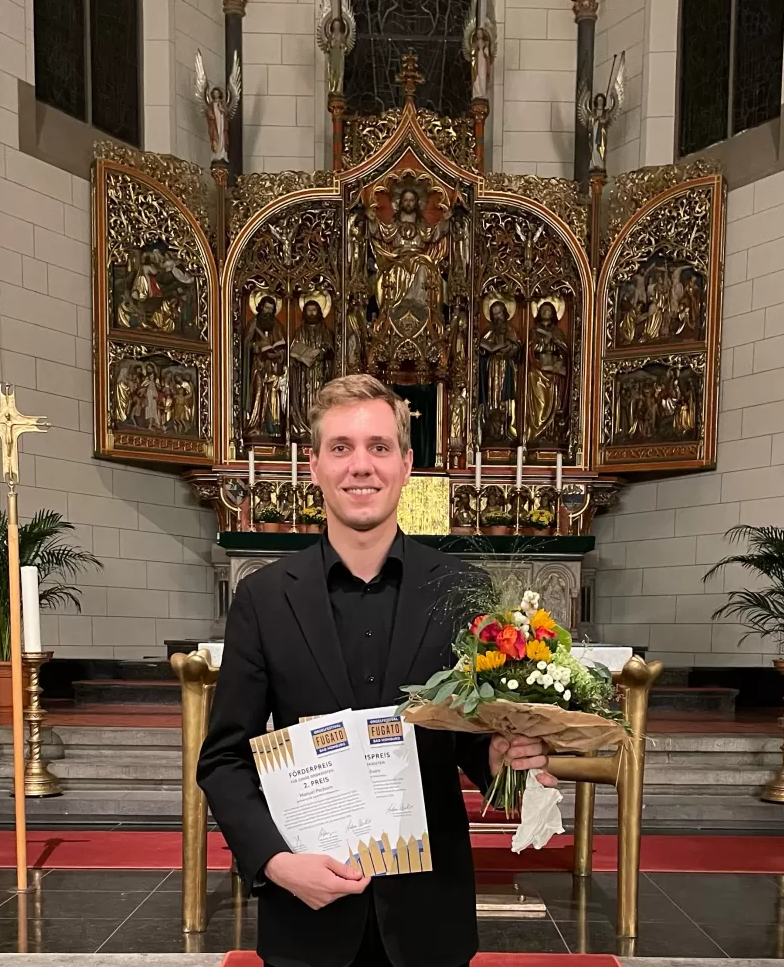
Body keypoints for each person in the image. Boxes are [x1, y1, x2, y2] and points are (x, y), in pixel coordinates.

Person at [198, 374, 553, 967]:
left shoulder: (463, 589)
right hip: (306, 911)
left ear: (406, 464)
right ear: (313, 466)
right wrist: (277, 863)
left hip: (427, 915)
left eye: (378, 447)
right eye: (341, 448)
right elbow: (225, 757)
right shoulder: (262, 599)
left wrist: (498, 759)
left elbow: (467, 737)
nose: (360, 465)